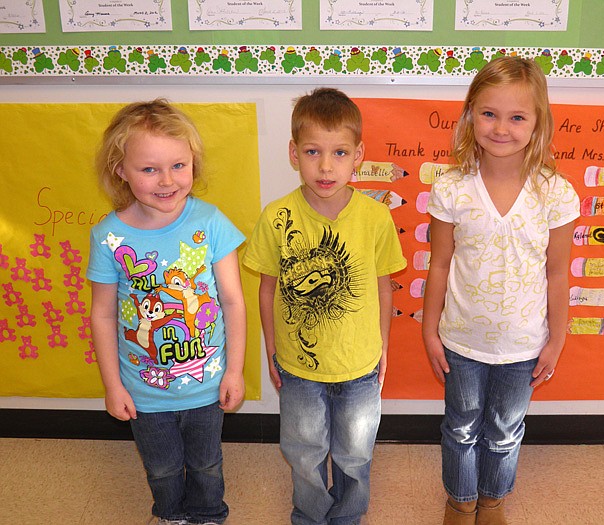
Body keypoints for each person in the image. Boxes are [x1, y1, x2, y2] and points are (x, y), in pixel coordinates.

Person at [422, 57, 580, 525]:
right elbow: (440, 265)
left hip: (524, 346)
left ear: (537, 123)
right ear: (470, 114)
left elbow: (558, 274)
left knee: (505, 432)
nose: (502, 128)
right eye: (489, 113)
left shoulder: (555, 193)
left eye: (517, 117)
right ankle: (460, 500)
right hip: (462, 342)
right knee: (461, 428)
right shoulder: (452, 188)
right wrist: (430, 332)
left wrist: (557, 338)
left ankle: (492, 500)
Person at [243, 87, 406, 525]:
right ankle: (311, 517)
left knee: (354, 453)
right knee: (304, 451)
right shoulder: (276, 217)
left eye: (339, 152)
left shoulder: (376, 217)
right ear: (294, 153)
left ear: (359, 156)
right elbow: (267, 288)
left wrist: (383, 347)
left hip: (360, 365)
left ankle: (349, 516)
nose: (326, 166)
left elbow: (384, 286)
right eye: (313, 151)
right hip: (298, 367)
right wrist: (272, 348)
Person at [87, 99, 246, 525]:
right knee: (161, 468)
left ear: (193, 162)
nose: (167, 181)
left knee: (207, 464)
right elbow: (102, 315)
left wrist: (235, 371)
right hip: (144, 390)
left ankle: (210, 514)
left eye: (178, 165)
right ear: (121, 170)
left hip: (206, 384)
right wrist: (112, 385)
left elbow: (233, 301)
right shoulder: (109, 236)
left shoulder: (210, 223)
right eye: (149, 169)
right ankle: (172, 514)